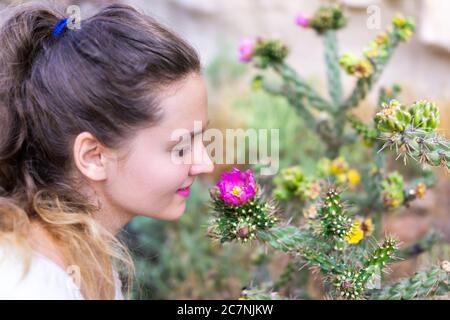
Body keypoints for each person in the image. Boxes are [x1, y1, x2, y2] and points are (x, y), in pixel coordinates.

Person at [0, 2, 214, 300]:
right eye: (180, 147)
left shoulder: (85, 257)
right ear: (93, 156)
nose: (205, 164)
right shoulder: (31, 284)